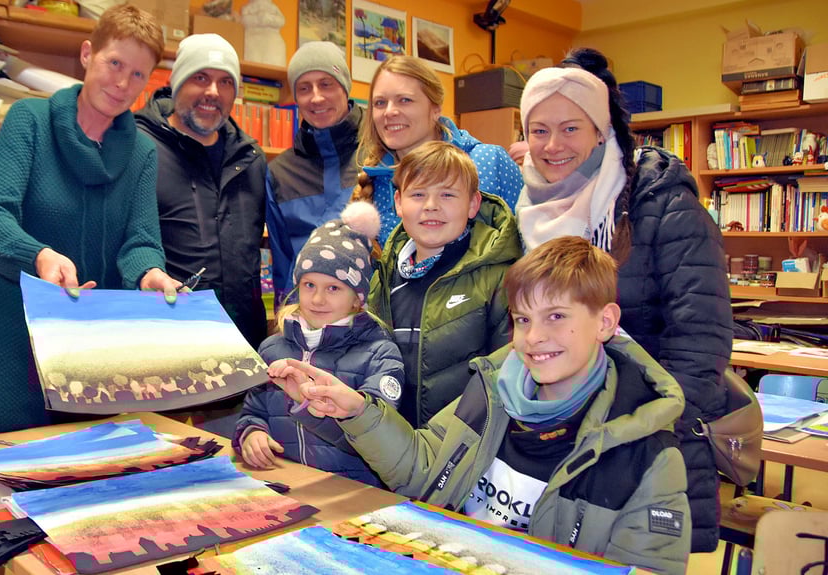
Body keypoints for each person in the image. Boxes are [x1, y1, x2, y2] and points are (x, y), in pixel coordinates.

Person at [291, 236, 692, 575]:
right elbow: (422, 470)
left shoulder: (649, 457)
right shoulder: (491, 390)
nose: (534, 337)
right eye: (522, 320)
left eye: (555, 316)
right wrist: (357, 411)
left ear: (605, 322)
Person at [514, 48, 732, 552]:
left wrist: (641, 429)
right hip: (555, 437)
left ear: (602, 130)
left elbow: (702, 339)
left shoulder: (662, 203)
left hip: (646, 441)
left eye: (571, 128)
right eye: (538, 130)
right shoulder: (526, 213)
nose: (552, 145)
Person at [0, 4, 180, 437]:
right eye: (114, 63)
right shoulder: (30, 122)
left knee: (95, 481)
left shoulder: (141, 152)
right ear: (87, 54)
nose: (122, 83)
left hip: (95, 350)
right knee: (2, 481)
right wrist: (40, 256)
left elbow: (140, 240)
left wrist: (151, 273)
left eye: (138, 74)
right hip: (14, 342)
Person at [232, 202, 405, 487]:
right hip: (285, 486)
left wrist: (307, 402)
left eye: (333, 288)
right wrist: (252, 433)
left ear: (357, 298)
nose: (317, 299)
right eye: (309, 285)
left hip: (355, 496)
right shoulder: (273, 348)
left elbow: (375, 441)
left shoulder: (380, 355)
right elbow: (254, 411)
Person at [367, 141, 520, 428]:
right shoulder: (384, 276)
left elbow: (507, 373)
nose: (431, 206)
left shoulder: (500, 278)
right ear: (398, 202)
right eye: (418, 194)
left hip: (465, 446)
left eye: (448, 194)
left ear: (473, 204)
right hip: (393, 445)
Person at [135, 34, 268, 350]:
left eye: (225, 82)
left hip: (243, 342)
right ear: (177, 82)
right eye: (200, 78)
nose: (213, 92)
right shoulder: (138, 147)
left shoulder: (251, 159)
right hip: (164, 342)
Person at [352, 55, 522, 246]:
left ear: (435, 109)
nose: (389, 112)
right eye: (380, 103)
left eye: (405, 100)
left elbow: (527, 248)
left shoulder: (488, 162)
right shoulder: (377, 183)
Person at [266, 42, 362, 305]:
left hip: (372, 319)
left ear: (344, 87)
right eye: (304, 88)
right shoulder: (279, 173)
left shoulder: (380, 156)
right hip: (307, 317)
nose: (316, 97)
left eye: (326, 84)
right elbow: (283, 262)